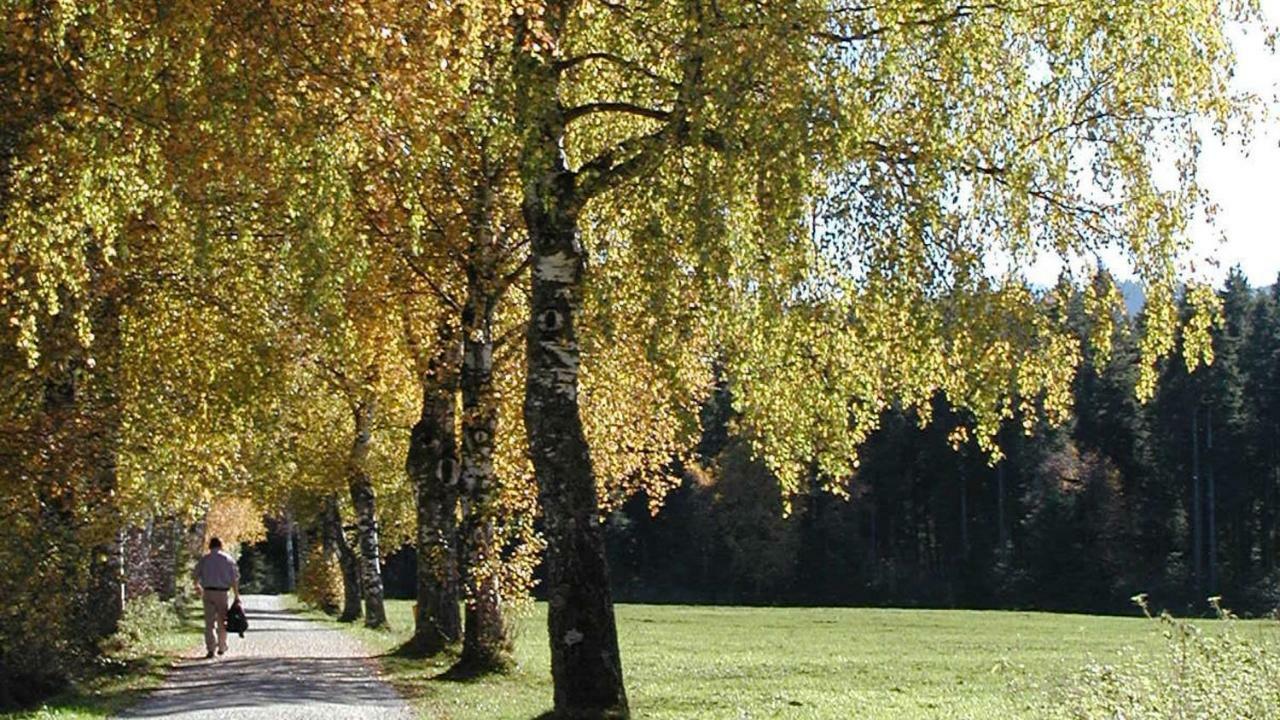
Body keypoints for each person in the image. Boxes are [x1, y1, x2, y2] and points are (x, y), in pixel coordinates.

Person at [193, 537, 241, 659]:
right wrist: (236, 595)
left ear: (210, 546)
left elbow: (195, 575)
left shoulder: (205, 559)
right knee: (222, 620)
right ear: (221, 545)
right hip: (222, 593)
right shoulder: (228, 559)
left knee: (209, 622)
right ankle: (221, 646)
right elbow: (234, 579)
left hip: (208, 592)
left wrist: (197, 587)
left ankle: (210, 648)